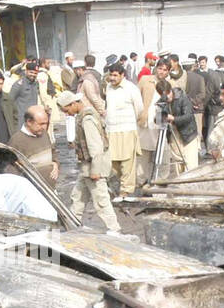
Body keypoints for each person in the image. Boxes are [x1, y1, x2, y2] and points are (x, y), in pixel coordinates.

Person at [56, 91, 121, 233]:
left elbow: (95, 147)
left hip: (93, 167)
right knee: (77, 197)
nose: (67, 114)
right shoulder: (84, 116)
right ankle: (72, 225)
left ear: (73, 104)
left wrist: (95, 171)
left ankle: (114, 230)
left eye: (67, 110)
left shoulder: (87, 120)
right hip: (87, 167)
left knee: (101, 201)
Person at [103, 62, 143, 195]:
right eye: (111, 75)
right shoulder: (108, 87)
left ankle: (126, 191)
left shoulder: (131, 88)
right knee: (113, 163)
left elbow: (139, 109)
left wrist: (131, 122)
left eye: (115, 75)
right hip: (111, 131)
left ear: (122, 75)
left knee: (127, 163)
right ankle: (119, 186)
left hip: (127, 129)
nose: (112, 78)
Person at [154, 77, 199, 172]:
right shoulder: (161, 102)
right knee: (180, 169)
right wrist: (161, 117)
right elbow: (157, 121)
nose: (167, 98)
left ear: (170, 90)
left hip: (188, 135)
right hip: (173, 137)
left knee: (191, 167)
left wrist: (173, 119)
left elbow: (188, 116)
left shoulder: (182, 98)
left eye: (168, 94)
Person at [9, 105, 58, 185]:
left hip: (49, 189)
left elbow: (53, 153)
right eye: (41, 124)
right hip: (31, 191)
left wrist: (55, 164)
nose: (44, 127)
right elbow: (10, 170)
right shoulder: (17, 141)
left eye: (46, 123)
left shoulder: (44, 135)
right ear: (29, 122)